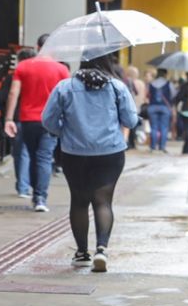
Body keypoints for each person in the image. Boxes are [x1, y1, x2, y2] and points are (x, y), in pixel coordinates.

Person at [41, 53, 138, 273]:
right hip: (110, 153)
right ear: (107, 62)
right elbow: (131, 120)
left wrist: (63, 132)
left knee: (79, 201)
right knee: (103, 202)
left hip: (74, 153)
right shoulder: (117, 87)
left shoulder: (64, 87)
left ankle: (82, 253)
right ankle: (101, 249)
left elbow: (48, 120)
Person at [4, 33, 70, 213]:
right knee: (44, 157)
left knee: (34, 157)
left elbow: (13, 93)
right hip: (51, 121)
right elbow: (67, 96)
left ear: (37, 46)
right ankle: (40, 197)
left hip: (27, 120)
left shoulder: (23, 66)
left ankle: (36, 193)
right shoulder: (61, 70)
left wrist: (9, 119)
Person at [0, 48, 36, 198]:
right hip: (39, 118)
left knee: (21, 153)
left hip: (18, 118)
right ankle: (38, 189)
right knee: (40, 155)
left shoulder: (14, 76)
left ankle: (23, 186)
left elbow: (3, 97)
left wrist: (6, 117)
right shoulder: (40, 74)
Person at [146, 68, 175, 152]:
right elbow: (173, 94)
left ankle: (152, 147)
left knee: (154, 127)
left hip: (153, 106)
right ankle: (162, 147)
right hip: (165, 107)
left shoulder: (151, 83)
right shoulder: (169, 84)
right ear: (165, 74)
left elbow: (148, 94)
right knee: (164, 127)